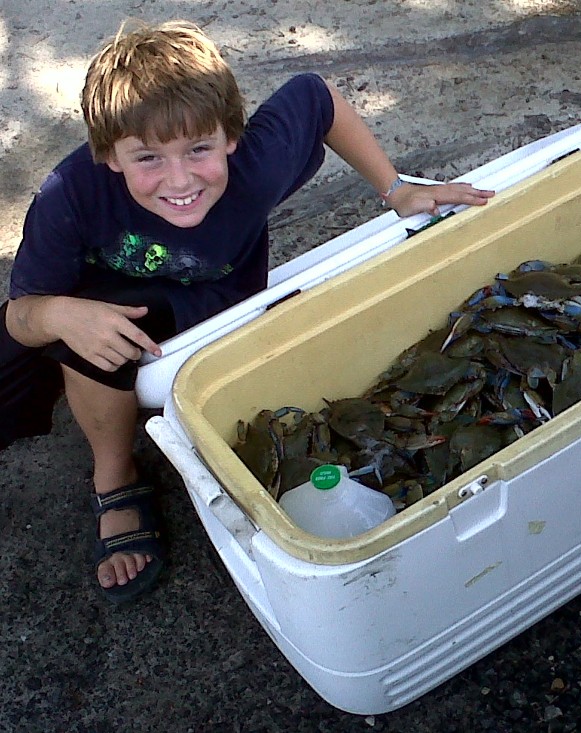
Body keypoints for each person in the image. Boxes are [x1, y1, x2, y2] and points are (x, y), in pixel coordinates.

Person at [0, 20, 494, 603]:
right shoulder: (69, 194)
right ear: (108, 154)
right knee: (46, 354)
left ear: (232, 137)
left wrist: (396, 190)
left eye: (199, 149)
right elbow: (21, 312)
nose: (180, 179)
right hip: (91, 302)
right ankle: (99, 425)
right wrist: (60, 315)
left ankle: (114, 475)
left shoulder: (256, 164)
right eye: (148, 158)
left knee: (146, 355)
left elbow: (317, 96)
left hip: (211, 302)